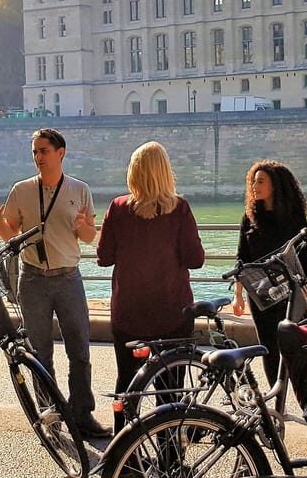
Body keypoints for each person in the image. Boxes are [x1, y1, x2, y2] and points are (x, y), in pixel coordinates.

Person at [0, 128, 111, 438]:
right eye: (35, 152)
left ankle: (82, 415)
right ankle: (50, 414)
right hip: (33, 278)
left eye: (44, 151)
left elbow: (91, 238)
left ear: (60, 152)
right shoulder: (22, 190)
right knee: (40, 353)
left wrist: (83, 227)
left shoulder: (80, 190)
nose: (38, 157)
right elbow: (9, 235)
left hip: (68, 278)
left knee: (79, 351)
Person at [97, 141, 205, 432]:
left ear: (133, 173)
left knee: (127, 383)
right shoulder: (180, 209)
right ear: (166, 173)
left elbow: (103, 257)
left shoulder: (118, 208)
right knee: (170, 392)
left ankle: (124, 452)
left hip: (129, 314)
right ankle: (169, 457)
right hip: (173, 314)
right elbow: (196, 260)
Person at [232, 160, 307, 387]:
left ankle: (303, 393)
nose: (255, 186)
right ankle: (278, 399)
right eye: (253, 182)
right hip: (259, 292)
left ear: (275, 185)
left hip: (289, 290)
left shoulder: (294, 217)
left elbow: (304, 256)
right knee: (268, 346)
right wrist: (238, 296)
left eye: (261, 181)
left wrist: (303, 291)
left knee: (294, 345)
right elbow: (242, 259)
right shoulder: (249, 217)